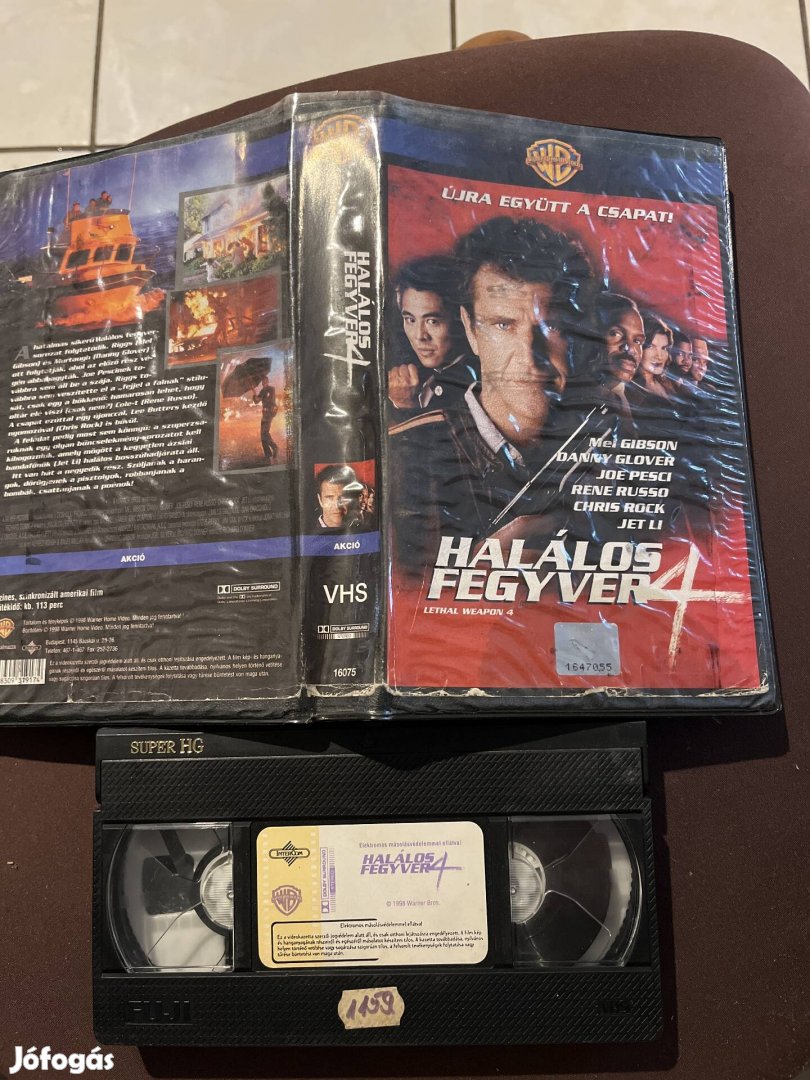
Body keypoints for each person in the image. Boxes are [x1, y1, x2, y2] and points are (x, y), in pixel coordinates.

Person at [389, 216, 594, 567]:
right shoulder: (405, 454)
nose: (529, 355)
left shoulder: (610, 448)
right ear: (470, 330)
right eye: (503, 325)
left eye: (552, 326)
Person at [388, 255, 477, 416]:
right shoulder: (424, 375)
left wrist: (404, 405)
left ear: (460, 320)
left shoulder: (472, 384)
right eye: (410, 320)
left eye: (432, 321)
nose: (419, 336)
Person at [588, 292, 645, 424]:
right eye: (616, 333)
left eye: (637, 341)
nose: (630, 349)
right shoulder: (569, 397)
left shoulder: (643, 402)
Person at [315, 464, 365, 531]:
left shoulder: (364, 529)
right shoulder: (306, 531)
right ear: (320, 500)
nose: (337, 506)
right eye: (330, 497)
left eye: (343, 497)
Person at [252, 374, 278, 463]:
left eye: (265, 381)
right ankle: (268, 454)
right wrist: (254, 392)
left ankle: (275, 447)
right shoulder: (263, 391)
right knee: (262, 434)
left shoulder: (271, 389)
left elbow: (268, 399)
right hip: (264, 414)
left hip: (269, 414)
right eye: (263, 381)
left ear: (268, 381)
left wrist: (260, 396)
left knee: (265, 433)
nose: (264, 382)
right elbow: (256, 401)